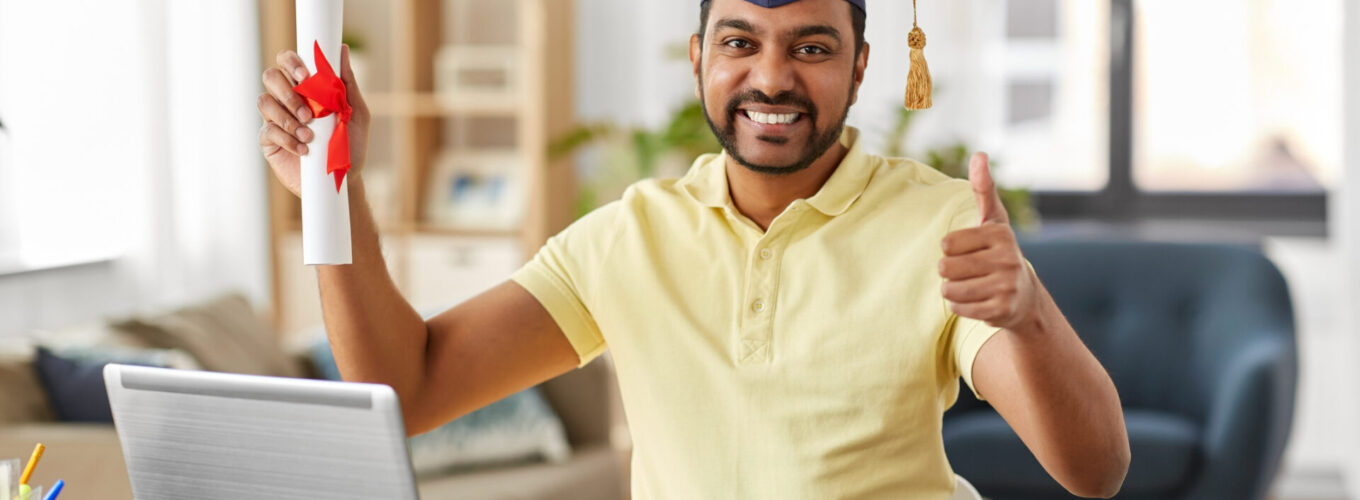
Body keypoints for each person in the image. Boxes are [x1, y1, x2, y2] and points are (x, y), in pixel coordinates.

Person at [256, 0, 1130, 497]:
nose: (772, 77)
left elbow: (1095, 472)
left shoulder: (939, 225)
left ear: (862, 66)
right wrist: (338, 190)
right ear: (698, 58)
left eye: (812, 47)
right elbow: (406, 390)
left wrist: (1028, 313)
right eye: (739, 42)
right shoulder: (628, 236)